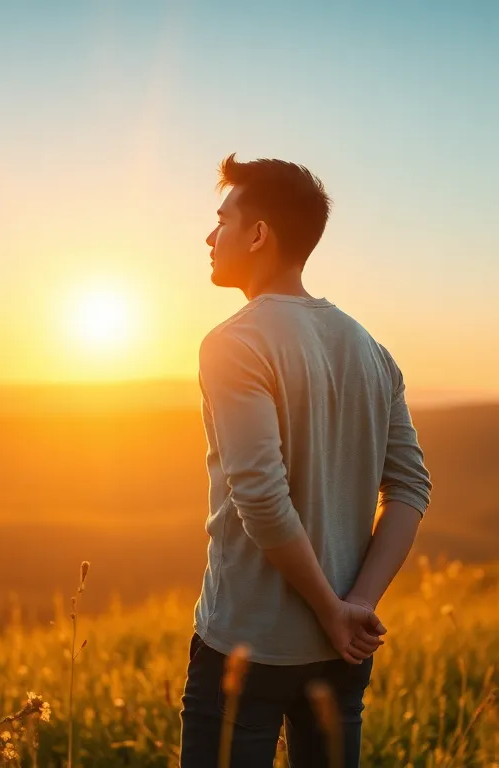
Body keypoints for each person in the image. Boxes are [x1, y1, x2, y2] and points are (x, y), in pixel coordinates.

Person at [180, 154, 433, 768]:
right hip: (342, 649)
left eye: (222, 221)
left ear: (259, 234)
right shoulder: (370, 349)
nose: (209, 237)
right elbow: (410, 489)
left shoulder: (234, 343)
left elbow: (262, 497)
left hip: (247, 643)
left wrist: (328, 608)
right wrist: (356, 609)